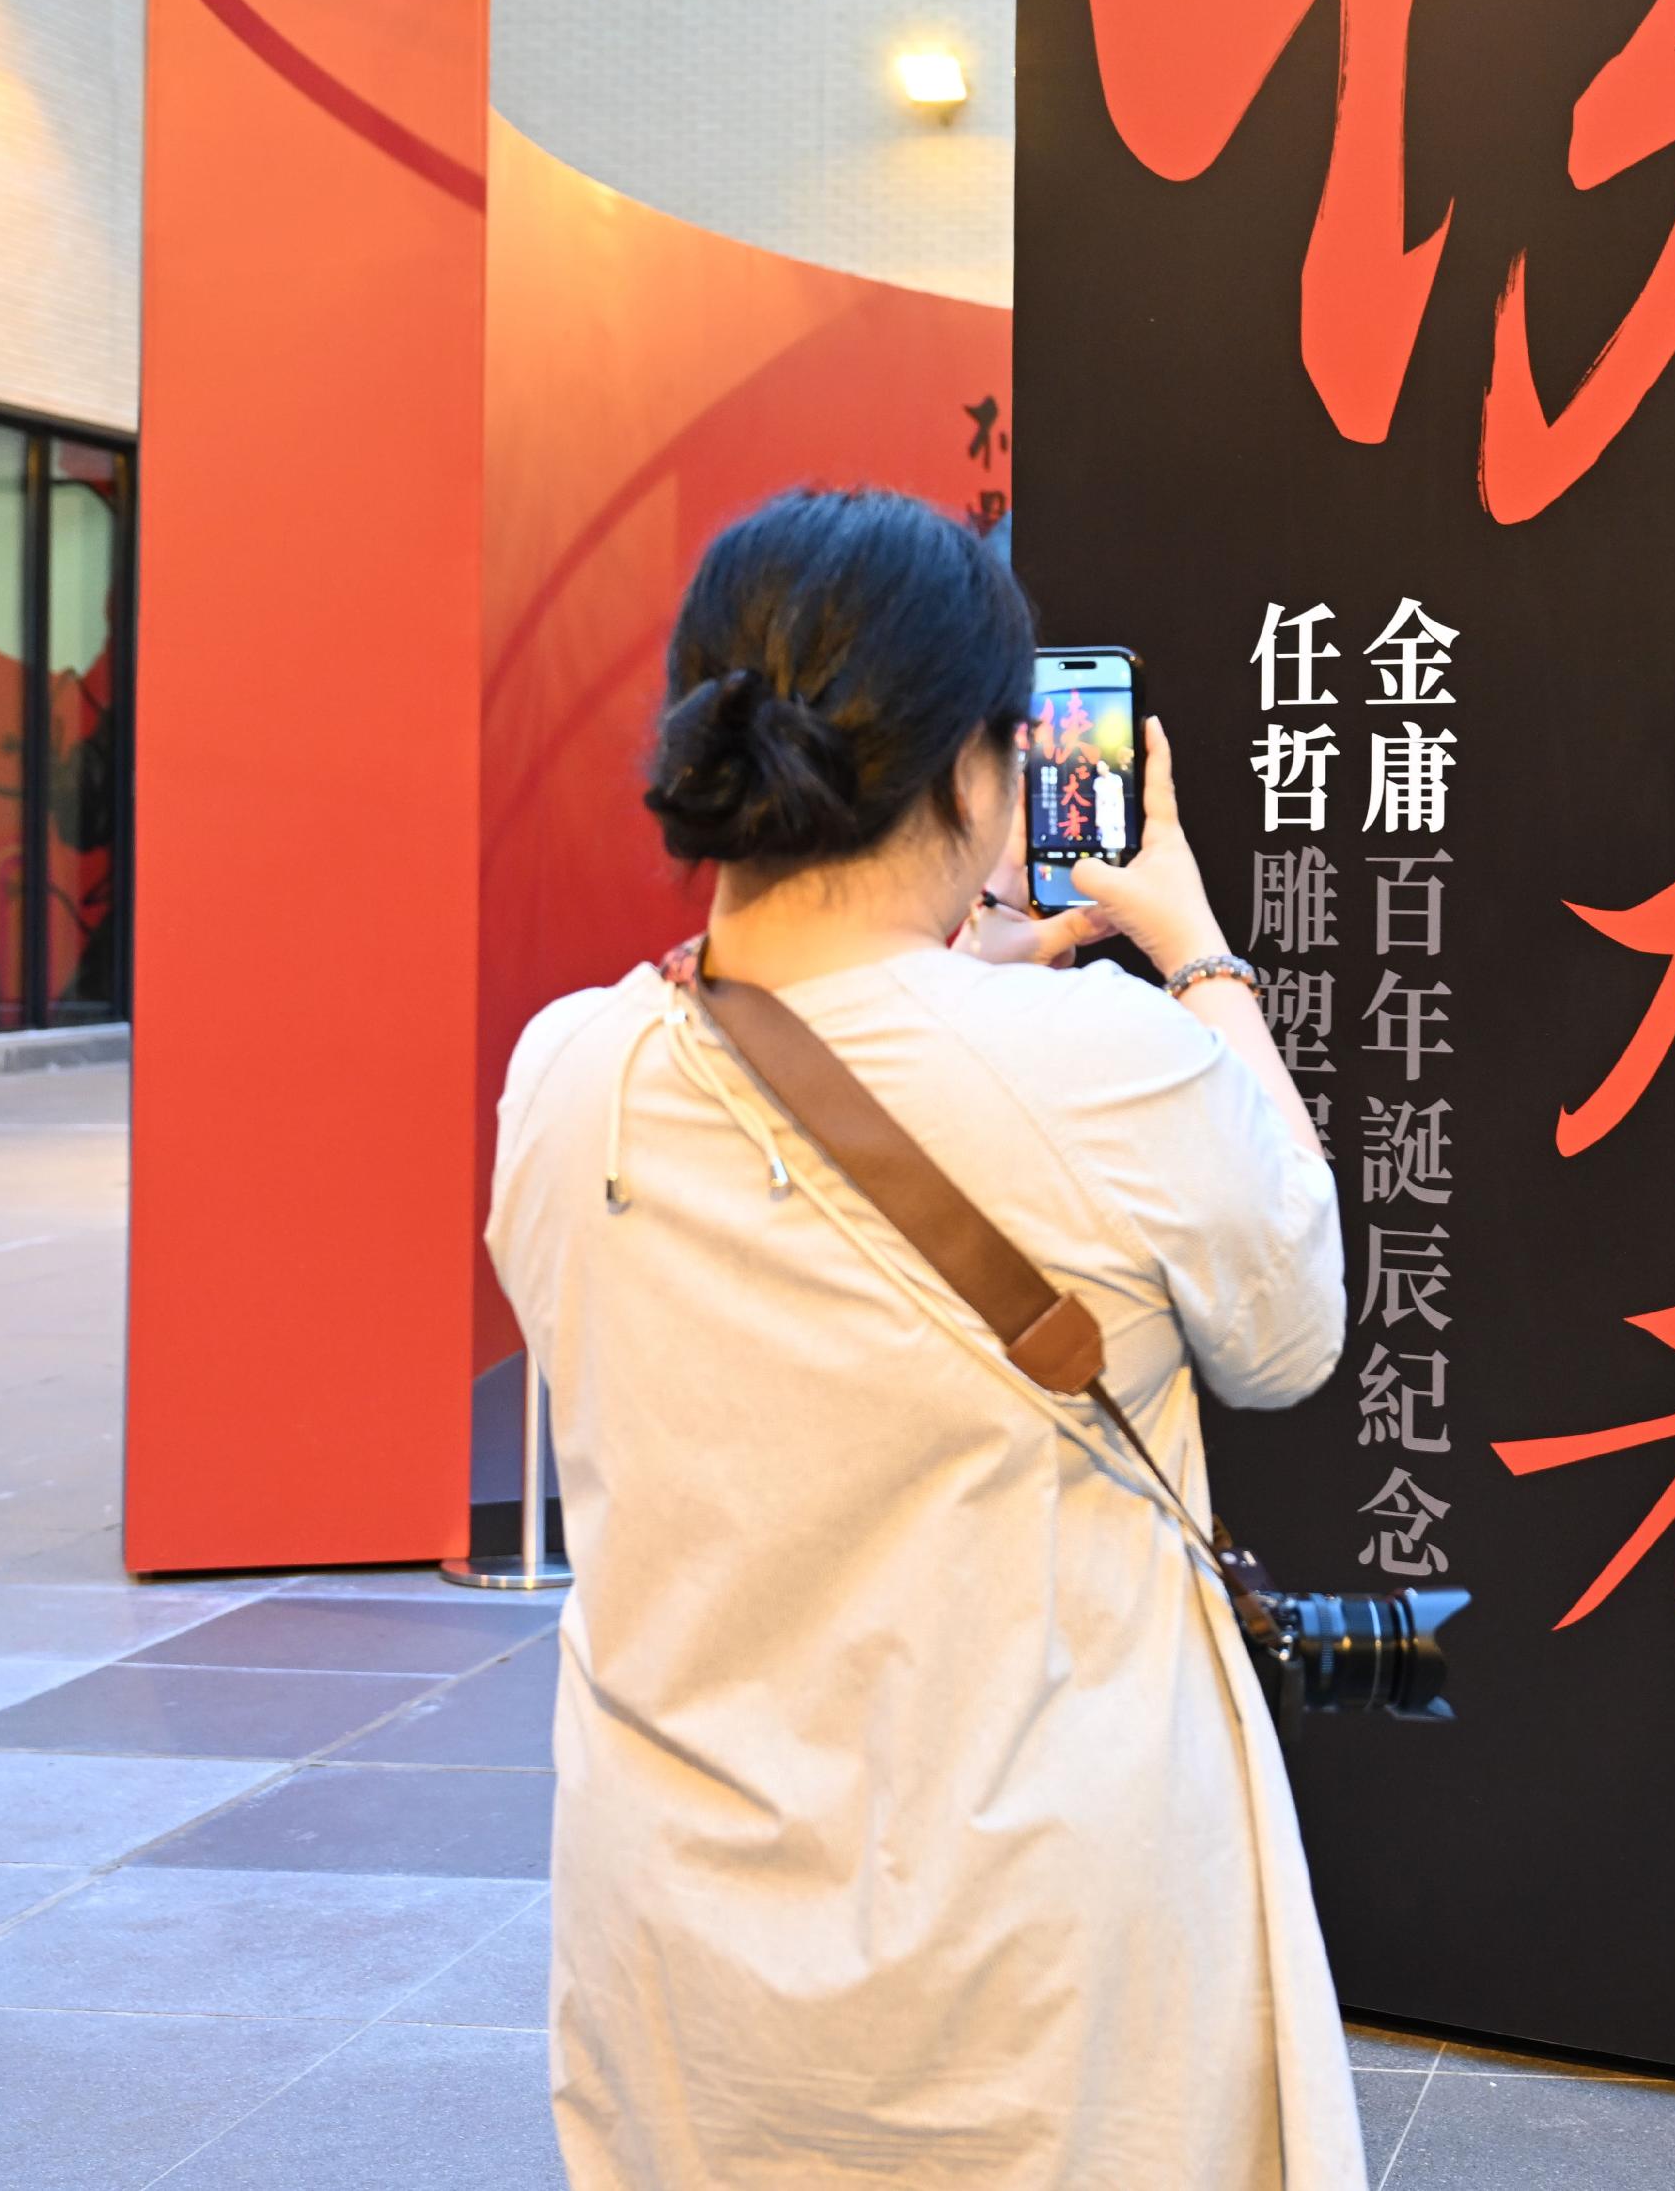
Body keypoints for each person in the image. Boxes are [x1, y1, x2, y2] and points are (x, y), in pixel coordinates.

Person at [485, 488, 1361, 2190]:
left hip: (681, 1945)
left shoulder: (564, 1078)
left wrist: (955, 981)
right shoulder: (1110, 1061)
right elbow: (1294, 1323)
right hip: (1041, 1959)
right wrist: (1199, 964)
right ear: (978, 769)